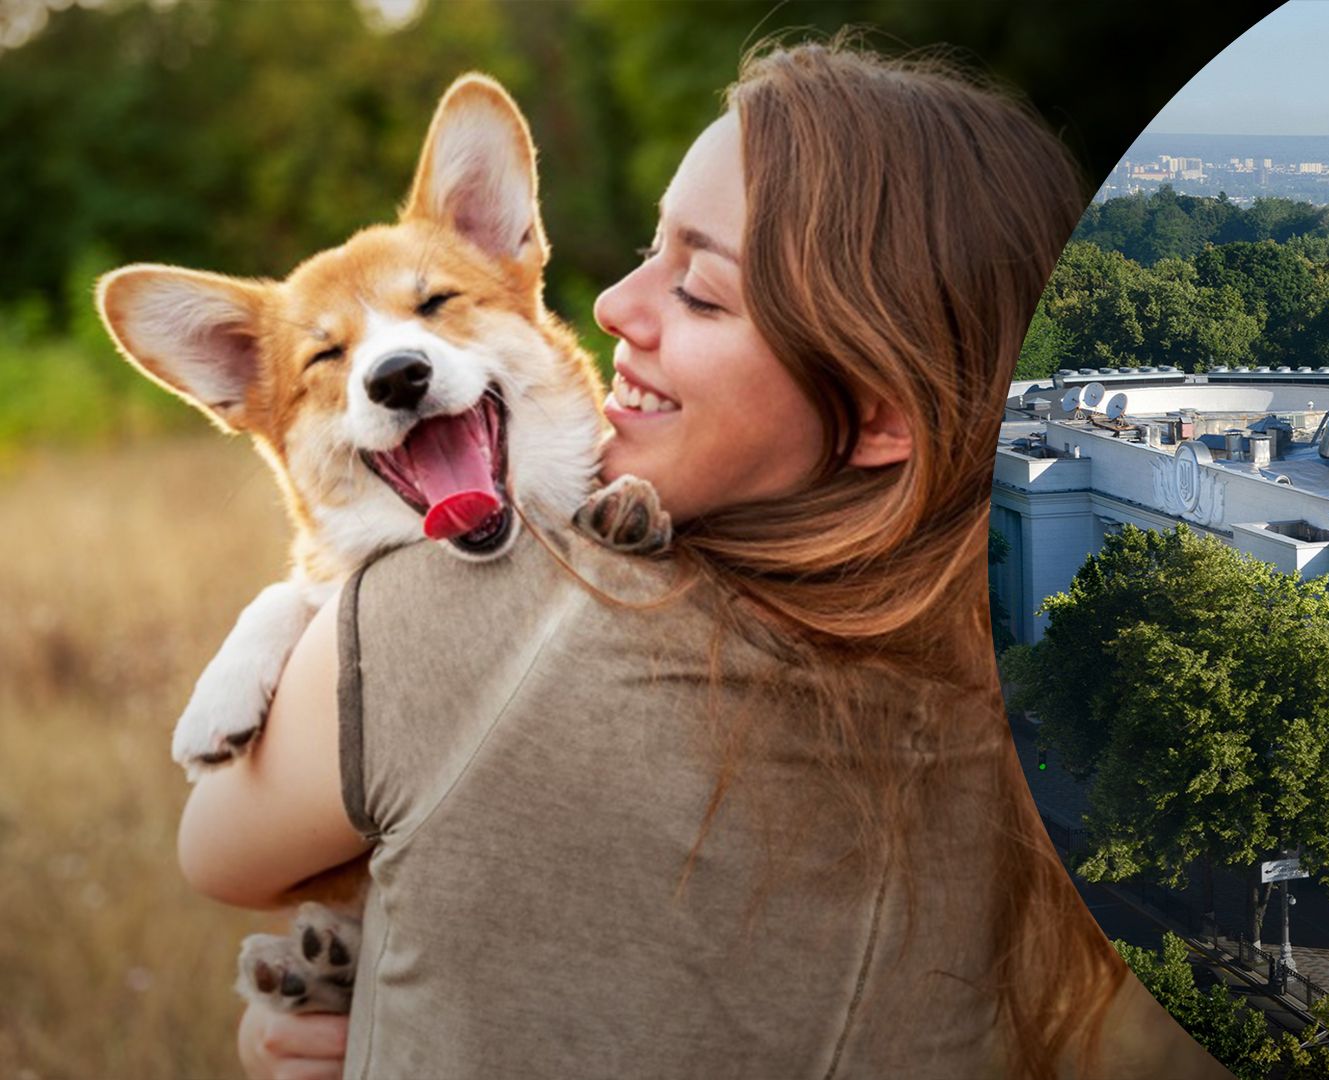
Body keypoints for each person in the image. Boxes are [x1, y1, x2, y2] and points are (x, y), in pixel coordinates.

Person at [178, 36, 1226, 1080]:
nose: (610, 307)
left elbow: (214, 851)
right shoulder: (1015, 692)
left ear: (873, 412)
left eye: (702, 292)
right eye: (652, 248)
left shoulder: (462, 619)